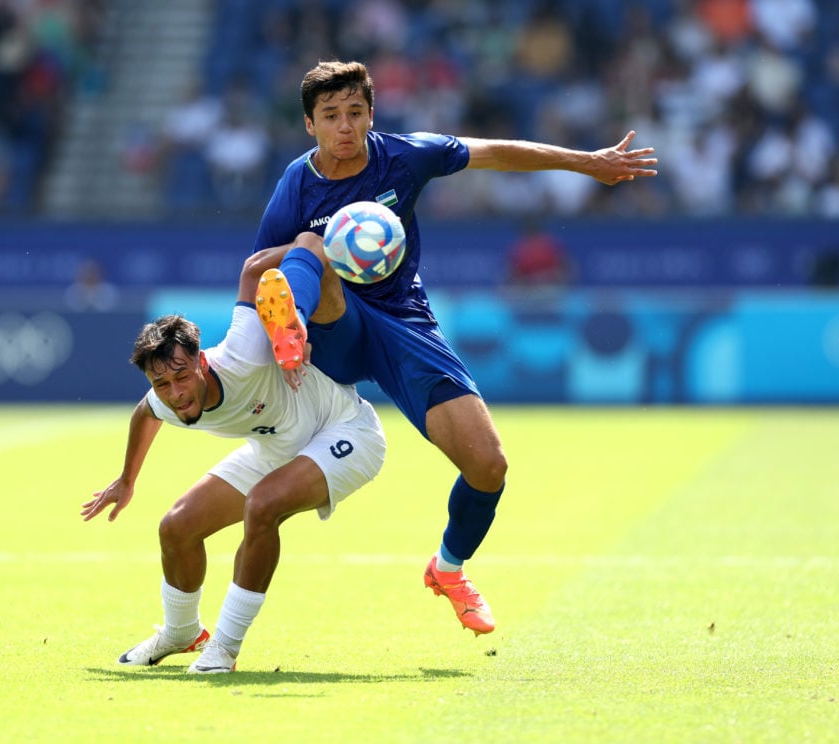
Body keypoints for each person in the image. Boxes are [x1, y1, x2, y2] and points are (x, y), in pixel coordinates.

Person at [253, 60, 659, 636]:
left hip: (404, 321)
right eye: (330, 116)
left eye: (355, 113)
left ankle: (448, 568)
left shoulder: (405, 156)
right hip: (332, 325)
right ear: (309, 125)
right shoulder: (297, 182)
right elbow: (256, 266)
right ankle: (287, 330)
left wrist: (586, 163)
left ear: (371, 115)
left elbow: (496, 151)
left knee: (489, 465)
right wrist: (313, 260)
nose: (344, 126)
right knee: (309, 245)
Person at [81, 241, 386, 673]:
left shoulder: (244, 351)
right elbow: (145, 413)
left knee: (263, 505)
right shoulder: (165, 397)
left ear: (201, 362)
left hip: (346, 432)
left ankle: (224, 647)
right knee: (177, 527)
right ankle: (182, 631)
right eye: (162, 383)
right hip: (276, 448)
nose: (176, 392)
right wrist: (127, 479)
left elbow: (252, 270)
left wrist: (313, 246)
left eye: (182, 376)